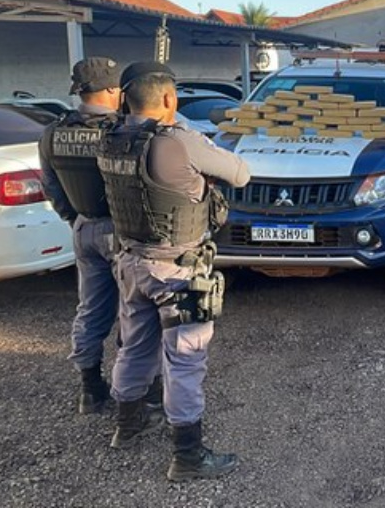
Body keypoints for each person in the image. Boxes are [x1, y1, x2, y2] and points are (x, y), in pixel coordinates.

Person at [96, 61, 250, 481]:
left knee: (133, 348)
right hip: (177, 270)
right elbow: (240, 172)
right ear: (169, 99)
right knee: (184, 360)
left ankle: (125, 427)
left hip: (130, 262)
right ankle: (187, 455)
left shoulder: (110, 139)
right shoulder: (178, 141)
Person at [38, 57, 123, 414]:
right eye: (117, 88)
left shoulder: (53, 132)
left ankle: (90, 388)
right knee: (135, 312)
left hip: (84, 228)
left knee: (90, 310)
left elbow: (51, 186)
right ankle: (137, 391)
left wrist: (74, 218)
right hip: (123, 231)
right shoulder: (119, 131)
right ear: (108, 90)